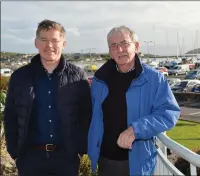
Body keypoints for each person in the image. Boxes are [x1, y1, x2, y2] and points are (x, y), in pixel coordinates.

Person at [88, 26, 180, 176]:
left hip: (138, 163)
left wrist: (135, 129)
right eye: (114, 46)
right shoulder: (100, 80)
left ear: (136, 46)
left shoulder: (154, 79)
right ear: (110, 51)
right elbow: (92, 116)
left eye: (124, 43)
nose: (119, 50)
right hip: (105, 161)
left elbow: (169, 113)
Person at [3, 19, 92, 176]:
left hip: (67, 159)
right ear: (36, 43)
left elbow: (86, 116)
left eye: (54, 40)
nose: (49, 45)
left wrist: (80, 150)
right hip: (30, 159)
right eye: (44, 40)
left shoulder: (78, 76)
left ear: (63, 43)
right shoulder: (19, 76)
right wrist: (15, 152)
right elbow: (10, 116)